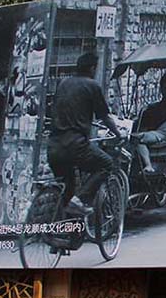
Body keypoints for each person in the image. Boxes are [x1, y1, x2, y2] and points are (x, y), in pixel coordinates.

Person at [47, 52, 125, 215]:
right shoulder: (92, 85)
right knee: (106, 163)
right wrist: (118, 134)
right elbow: (104, 116)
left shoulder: (63, 83)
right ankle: (81, 199)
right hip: (76, 146)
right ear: (91, 68)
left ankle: (69, 234)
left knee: (68, 190)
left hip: (54, 147)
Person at [131, 73, 166, 173]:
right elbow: (145, 127)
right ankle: (148, 165)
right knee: (137, 138)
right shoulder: (154, 108)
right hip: (160, 135)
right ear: (161, 89)